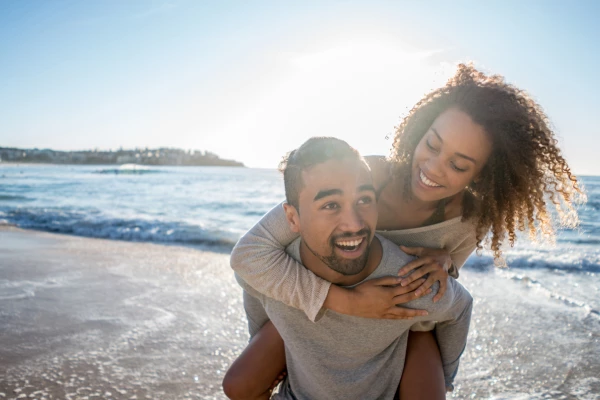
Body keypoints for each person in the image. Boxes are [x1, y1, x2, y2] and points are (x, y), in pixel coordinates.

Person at [227, 64, 583, 398]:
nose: (432, 167)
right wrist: (344, 302)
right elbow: (253, 252)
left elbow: (445, 283)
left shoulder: (470, 220)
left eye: (458, 165)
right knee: (242, 382)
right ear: (419, 129)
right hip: (323, 298)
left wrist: (446, 263)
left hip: (400, 323)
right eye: (431, 144)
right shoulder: (367, 177)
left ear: (482, 175)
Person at [224, 137, 474, 399]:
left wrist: (444, 379)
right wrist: (276, 345)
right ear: (292, 219)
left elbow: (460, 307)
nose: (353, 223)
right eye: (331, 205)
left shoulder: (402, 279)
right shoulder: (275, 267)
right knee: (237, 386)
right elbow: (250, 281)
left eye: (364, 200)